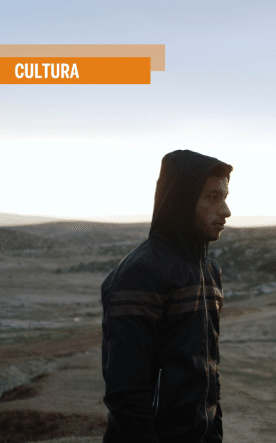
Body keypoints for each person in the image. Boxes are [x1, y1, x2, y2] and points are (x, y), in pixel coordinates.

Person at [101, 150, 232, 443]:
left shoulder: (209, 271)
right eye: (213, 197)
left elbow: (209, 372)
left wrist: (214, 433)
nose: (226, 211)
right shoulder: (141, 273)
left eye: (225, 197)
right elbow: (126, 391)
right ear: (181, 200)